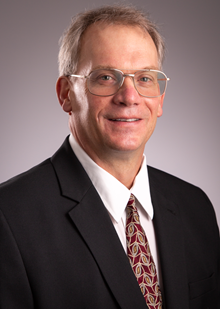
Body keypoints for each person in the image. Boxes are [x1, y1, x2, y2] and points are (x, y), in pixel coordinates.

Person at [0, 5, 219, 309]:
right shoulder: (9, 218)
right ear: (66, 94)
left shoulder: (197, 208)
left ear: (160, 99)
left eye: (144, 78)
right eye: (105, 77)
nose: (129, 97)